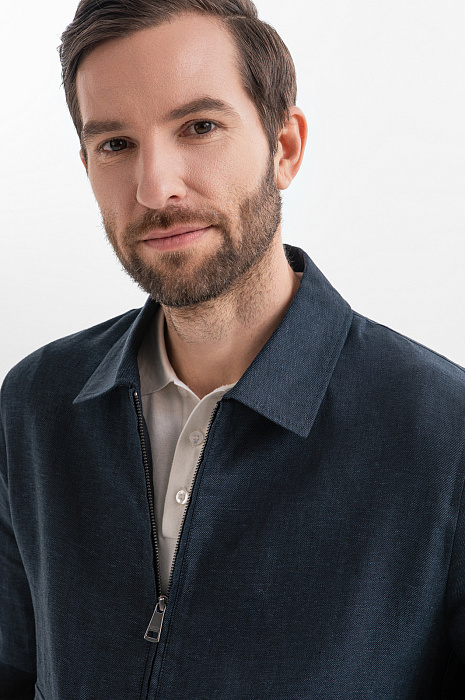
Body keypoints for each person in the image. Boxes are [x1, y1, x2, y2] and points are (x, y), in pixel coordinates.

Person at [1, 0, 465, 698]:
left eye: (199, 127)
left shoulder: (443, 433)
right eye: (116, 144)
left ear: (284, 148)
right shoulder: (35, 403)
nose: (155, 188)